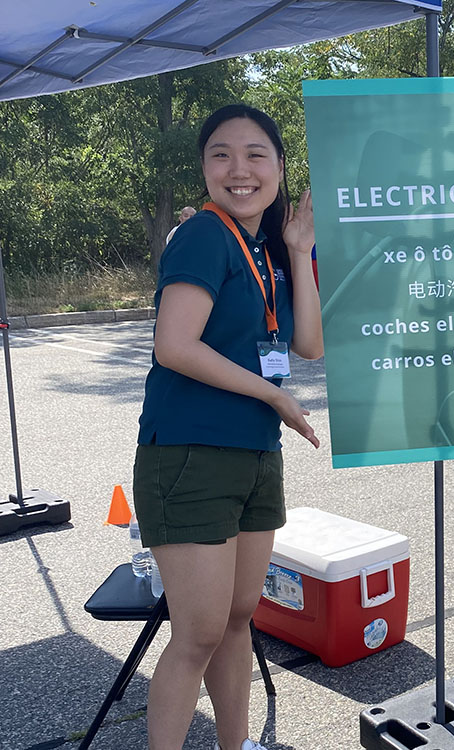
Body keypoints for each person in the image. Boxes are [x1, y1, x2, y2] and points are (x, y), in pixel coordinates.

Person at [132, 104, 323, 750]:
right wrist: (273, 396)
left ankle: (234, 744)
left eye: (254, 154)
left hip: (254, 456)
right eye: (220, 154)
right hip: (189, 456)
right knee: (199, 632)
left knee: (239, 618)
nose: (238, 169)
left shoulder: (268, 250)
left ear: (279, 167)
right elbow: (174, 346)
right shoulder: (204, 236)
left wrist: (298, 250)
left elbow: (309, 344)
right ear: (204, 169)